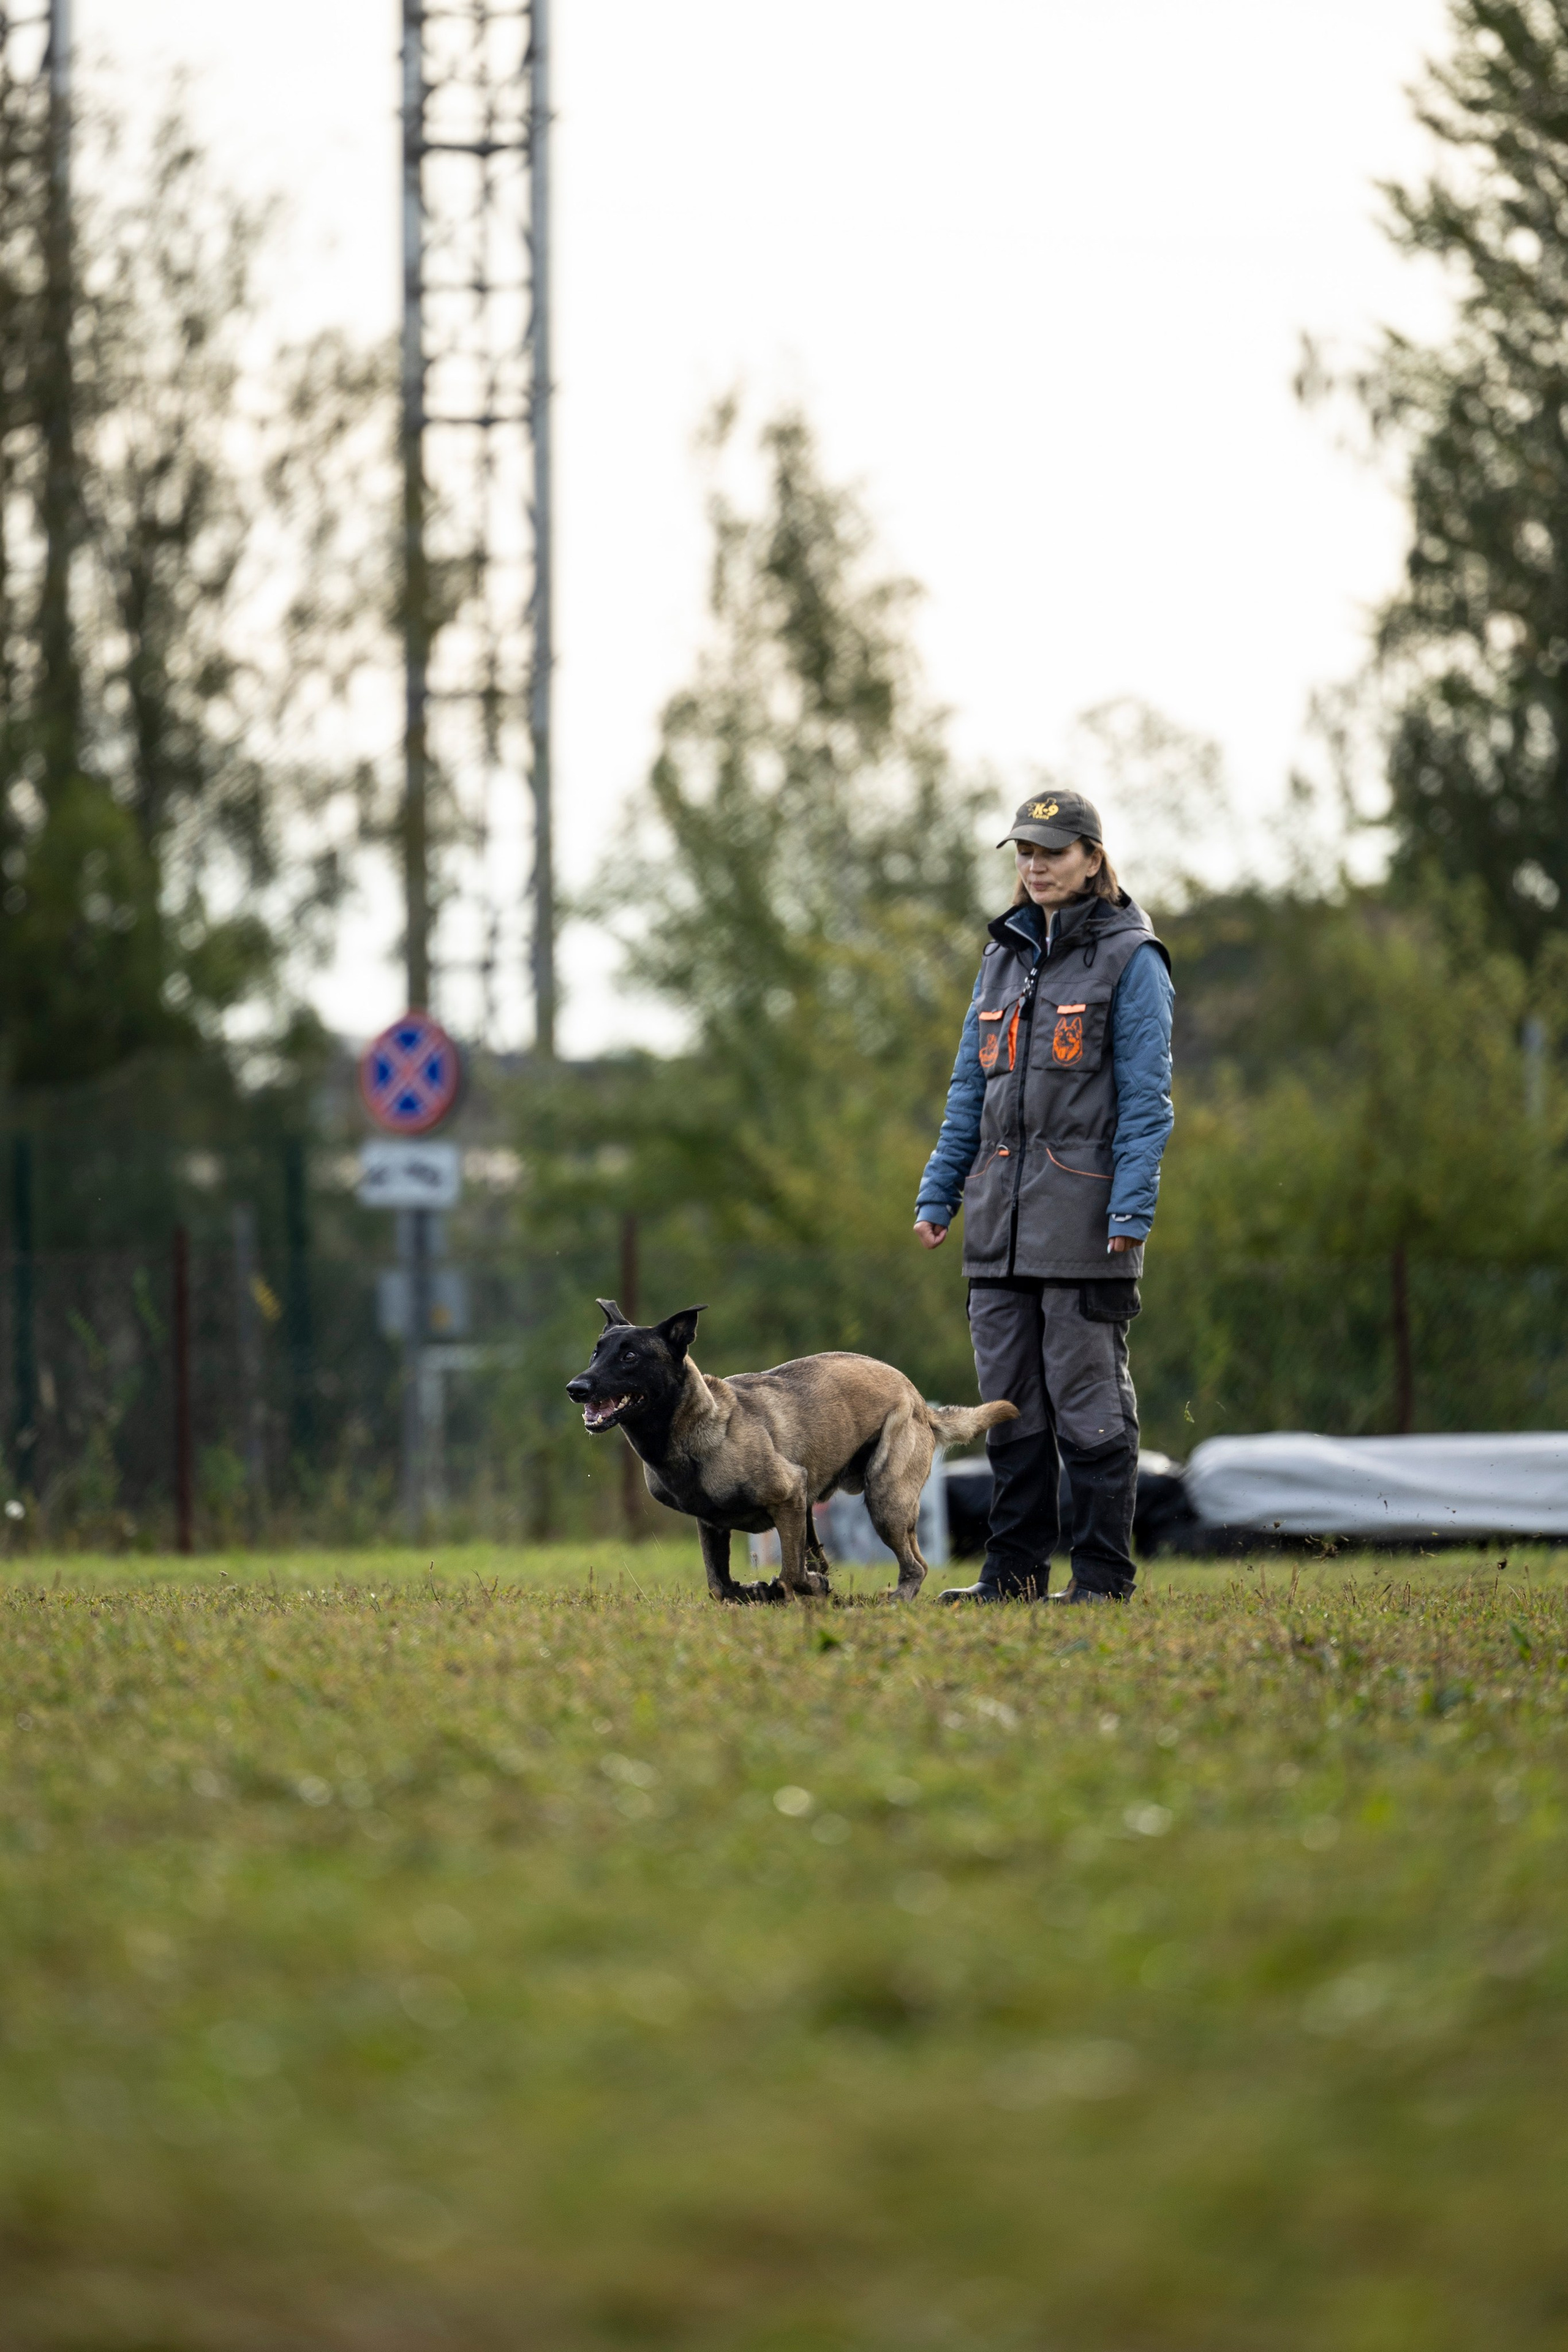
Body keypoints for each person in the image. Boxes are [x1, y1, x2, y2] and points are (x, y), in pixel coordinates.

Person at [913, 790, 1173, 1602]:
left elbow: (1146, 1100)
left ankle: (1101, 1579)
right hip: (998, 1231)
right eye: (1025, 852)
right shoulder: (1001, 957)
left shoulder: (1134, 959)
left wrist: (1131, 1210)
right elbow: (969, 1091)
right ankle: (1014, 1578)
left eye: (1053, 851)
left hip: (1087, 1228)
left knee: (1090, 1411)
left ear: (1092, 857)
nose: (1035, 866)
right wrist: (939, 1193)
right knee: (1008, 1413)